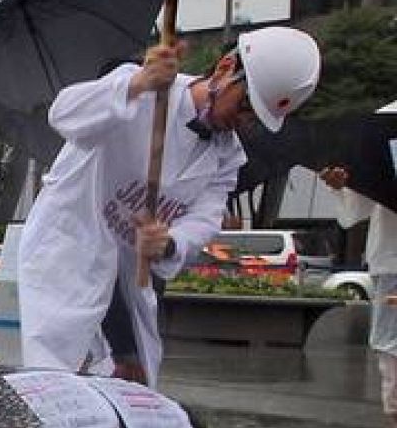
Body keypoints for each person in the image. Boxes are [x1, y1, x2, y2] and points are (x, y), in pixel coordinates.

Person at [19, 27, 322, 388]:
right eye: (244, 105)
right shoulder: (143, 88)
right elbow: (64, 114)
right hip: (68, 251)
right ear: (225, 68)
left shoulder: (227, 158)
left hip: (131, 275)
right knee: (56, 380)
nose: (242, 121)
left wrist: (169, 243)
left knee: (136, 389)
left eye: (254, 118)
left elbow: (203, 220)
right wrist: (139, 84)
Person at [319, 98, 397, 428]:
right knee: (392, 352)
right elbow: (359, 209)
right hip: (392, 262)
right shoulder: (384, 123)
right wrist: (344, 186)